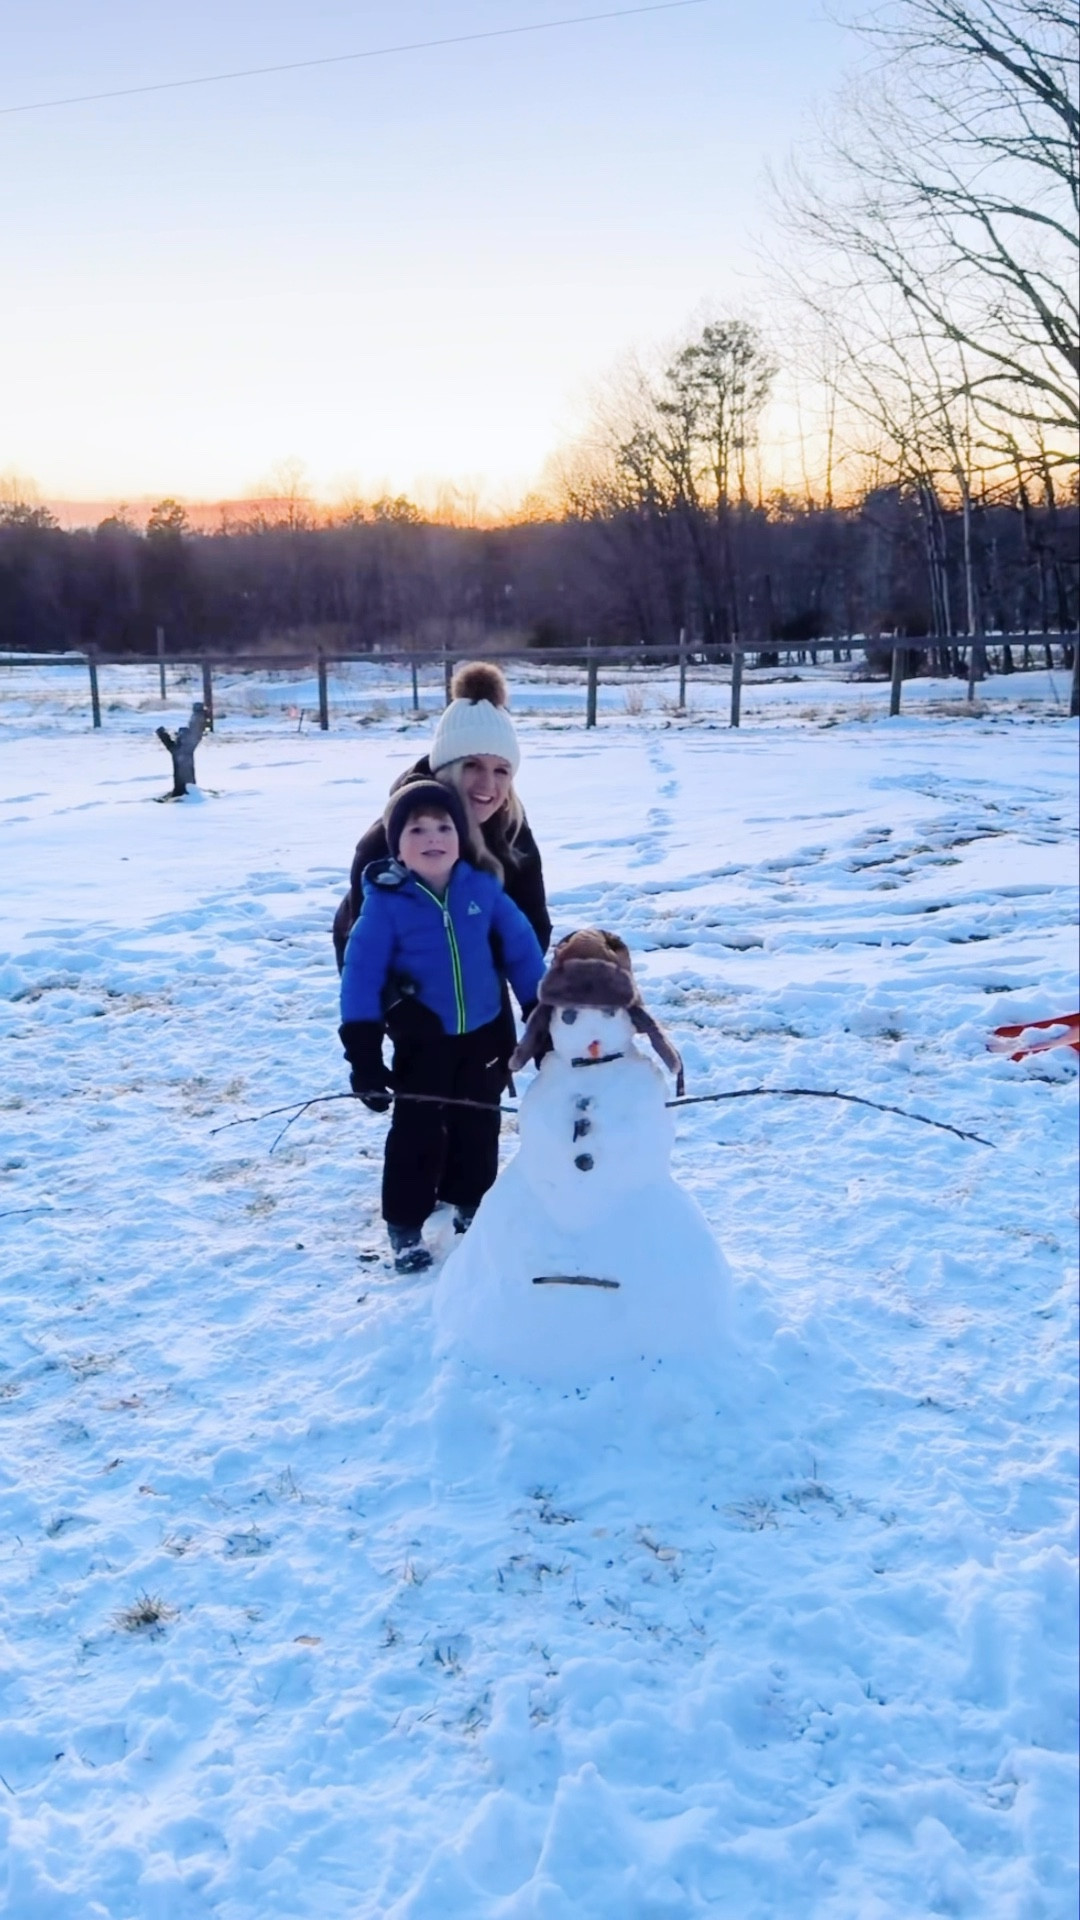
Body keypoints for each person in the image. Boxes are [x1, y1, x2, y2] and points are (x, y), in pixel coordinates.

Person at [339, 778, 545, 1274]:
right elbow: (360, 977)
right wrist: (364, 1055)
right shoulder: (385, 905)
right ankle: (405, 1224)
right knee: (417, 1131)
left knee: (480, 1123)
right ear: (397, 846)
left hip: (484, 1034)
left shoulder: (482, 889)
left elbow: (521, 949)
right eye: (417, 830)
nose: (433, 837)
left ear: (461, 837)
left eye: (444, 827)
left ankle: (472, 1204)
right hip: (423, 1040)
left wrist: (539, 1011)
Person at [332, 661, 551, 970]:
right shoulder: (390, 839)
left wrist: (485, 969)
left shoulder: (511, 830)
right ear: (446, 768)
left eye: (501, 770)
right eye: (472, 765)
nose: (488, 785)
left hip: (482, 988)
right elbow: (360, 954)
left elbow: (534, 928)